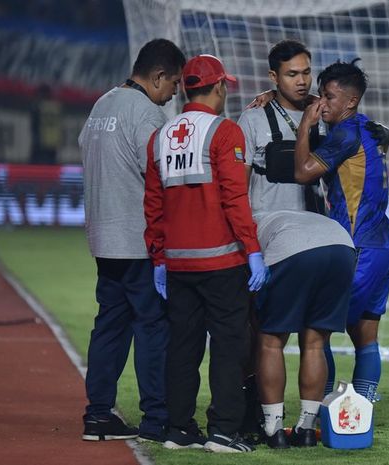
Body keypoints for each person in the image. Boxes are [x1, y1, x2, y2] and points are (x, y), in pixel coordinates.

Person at [143, 54, 268, 453]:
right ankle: (224, 430)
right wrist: (253, 250)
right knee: (230, 346)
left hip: (178, 264)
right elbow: (235, 198)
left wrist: (159, 258)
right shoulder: (225, 132)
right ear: (218, 87)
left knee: (182, 347)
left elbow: (153, 205)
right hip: (222, 261)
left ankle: (179, 428)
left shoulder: (160, 137)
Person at [78, 38, 185, 443]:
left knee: (108, 326)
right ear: (157, 76)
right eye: (172, 83)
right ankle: (156, 417)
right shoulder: (146, 115)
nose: (173, 92)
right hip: (139, 242)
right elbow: (160, 179)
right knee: (153, 328)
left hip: (104, 239)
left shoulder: (102, 104)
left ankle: (98, 415)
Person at [293, 60, 389, 404]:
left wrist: (303, 126)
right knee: (365, 338)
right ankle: (364, 407)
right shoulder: (369, 127)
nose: (322, 104)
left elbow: (303, 172)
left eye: (328, 96)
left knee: (314, 331)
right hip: (384, 246)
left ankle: (323, 406)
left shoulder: (346, 132)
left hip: (359, 249)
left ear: (350, 102)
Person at [253, 210, 356, 449]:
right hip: (343, 248)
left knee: (270, 341)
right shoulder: (287, 216)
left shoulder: (248, 225)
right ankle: (307, 428)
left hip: (293, 249)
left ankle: (274, 428)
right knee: (315, 344)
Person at [237, 39, 324, 215]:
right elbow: (239, 185)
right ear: (273, 77)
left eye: (306, 72)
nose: (302, 81)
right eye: (292, 75)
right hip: (268, 227)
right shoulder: (252, 118)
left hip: (316, 226)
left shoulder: (324, 115)